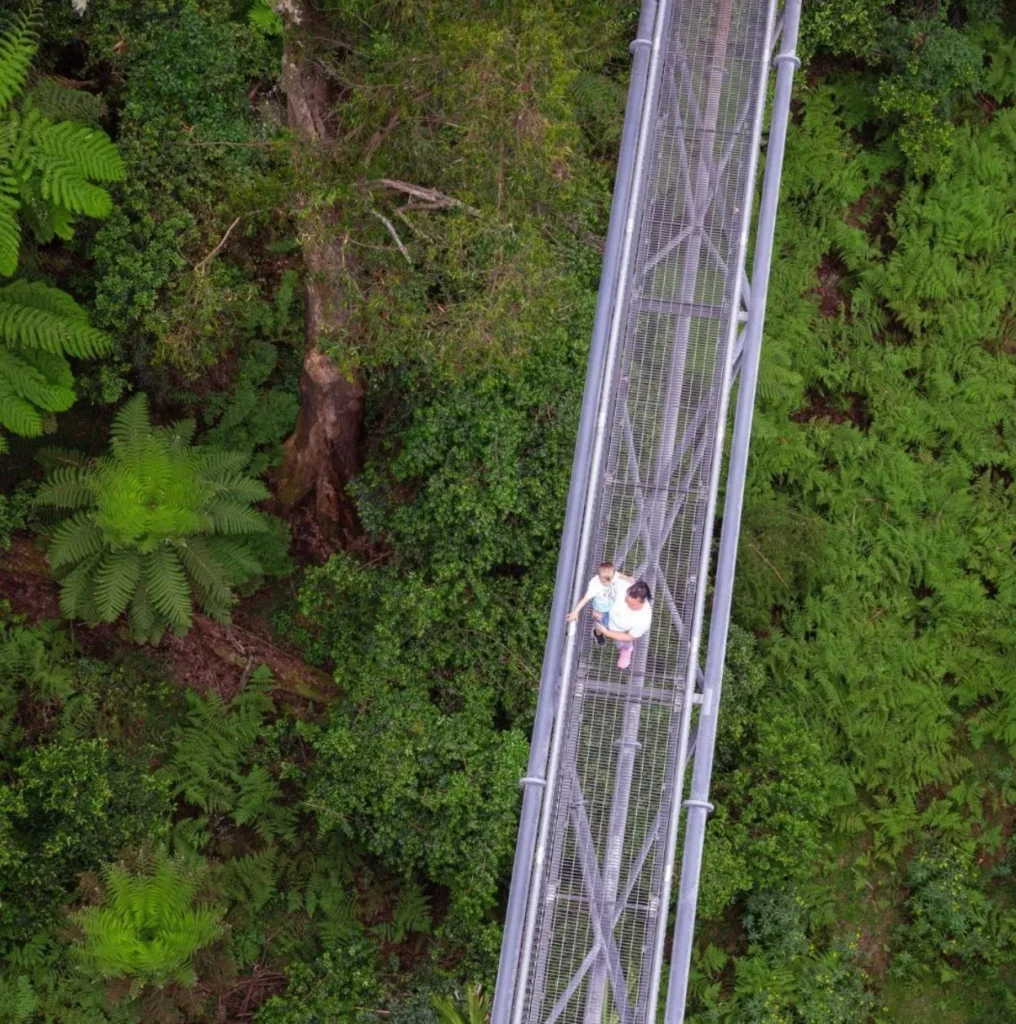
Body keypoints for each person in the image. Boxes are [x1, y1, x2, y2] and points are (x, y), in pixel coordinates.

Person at [593, 579, 652, 670]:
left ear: (642, 602)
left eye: (632, 604)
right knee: (598, 626)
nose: (627, 604)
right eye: (626, 600)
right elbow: (609, 575)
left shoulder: (644, 619)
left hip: (623, 630)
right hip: (607, 614)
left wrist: (608, 633)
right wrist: (599, 605)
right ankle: (598, 635)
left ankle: (626, 650)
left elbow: (629, 636)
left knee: (624, 643)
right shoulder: (623, 585)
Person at [566, 562, 633, 629]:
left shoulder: (612, 574)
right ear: (599, 575)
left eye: (610, 580)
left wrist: (627, 578)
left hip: (611, 602)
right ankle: (596, 615)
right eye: (604, 581)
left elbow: (618, 575)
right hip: (601, 608)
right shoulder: (595, 584)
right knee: (607, 622)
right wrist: (575, 612)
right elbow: (585, 599)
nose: (607, 583)